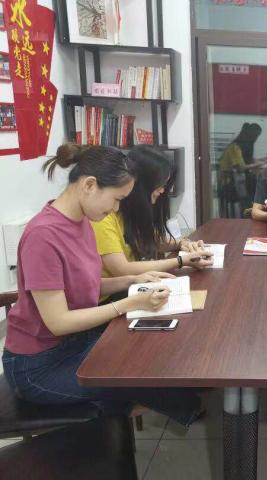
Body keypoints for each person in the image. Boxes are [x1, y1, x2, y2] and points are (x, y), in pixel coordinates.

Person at [2, 144, 202, 426]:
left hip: (73, 342)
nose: (116, 209)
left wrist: (133, 280)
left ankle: (189, 399)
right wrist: (128, 303)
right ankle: (191, 411)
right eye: (116, 199)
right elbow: (58, 322)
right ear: (89, 185)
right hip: (38, 366)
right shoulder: (43, 236)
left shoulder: (81, 220)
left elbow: (87, 286)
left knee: (147, 348)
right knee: (132, 377)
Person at [91, 145, 211, 288]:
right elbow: (122, 269)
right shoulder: (103, 216)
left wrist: (181, 243)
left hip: (131, 287)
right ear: (142, 184)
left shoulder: (131, 211)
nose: (162, 190)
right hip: (114, 294)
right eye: (160, 185)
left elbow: (149, 241)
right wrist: (180, 261)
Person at [219, 122, 267, 217]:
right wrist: (260, 164)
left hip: (239, 181)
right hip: (229, 184)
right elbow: (240, 168)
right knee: (256, 185)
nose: (255, 139)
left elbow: (249, 160)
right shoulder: (235, 147)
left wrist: (264, 160)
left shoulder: (242, 146)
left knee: (257, 183)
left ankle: (255, 209)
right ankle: (251, 212)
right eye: (255, 136)